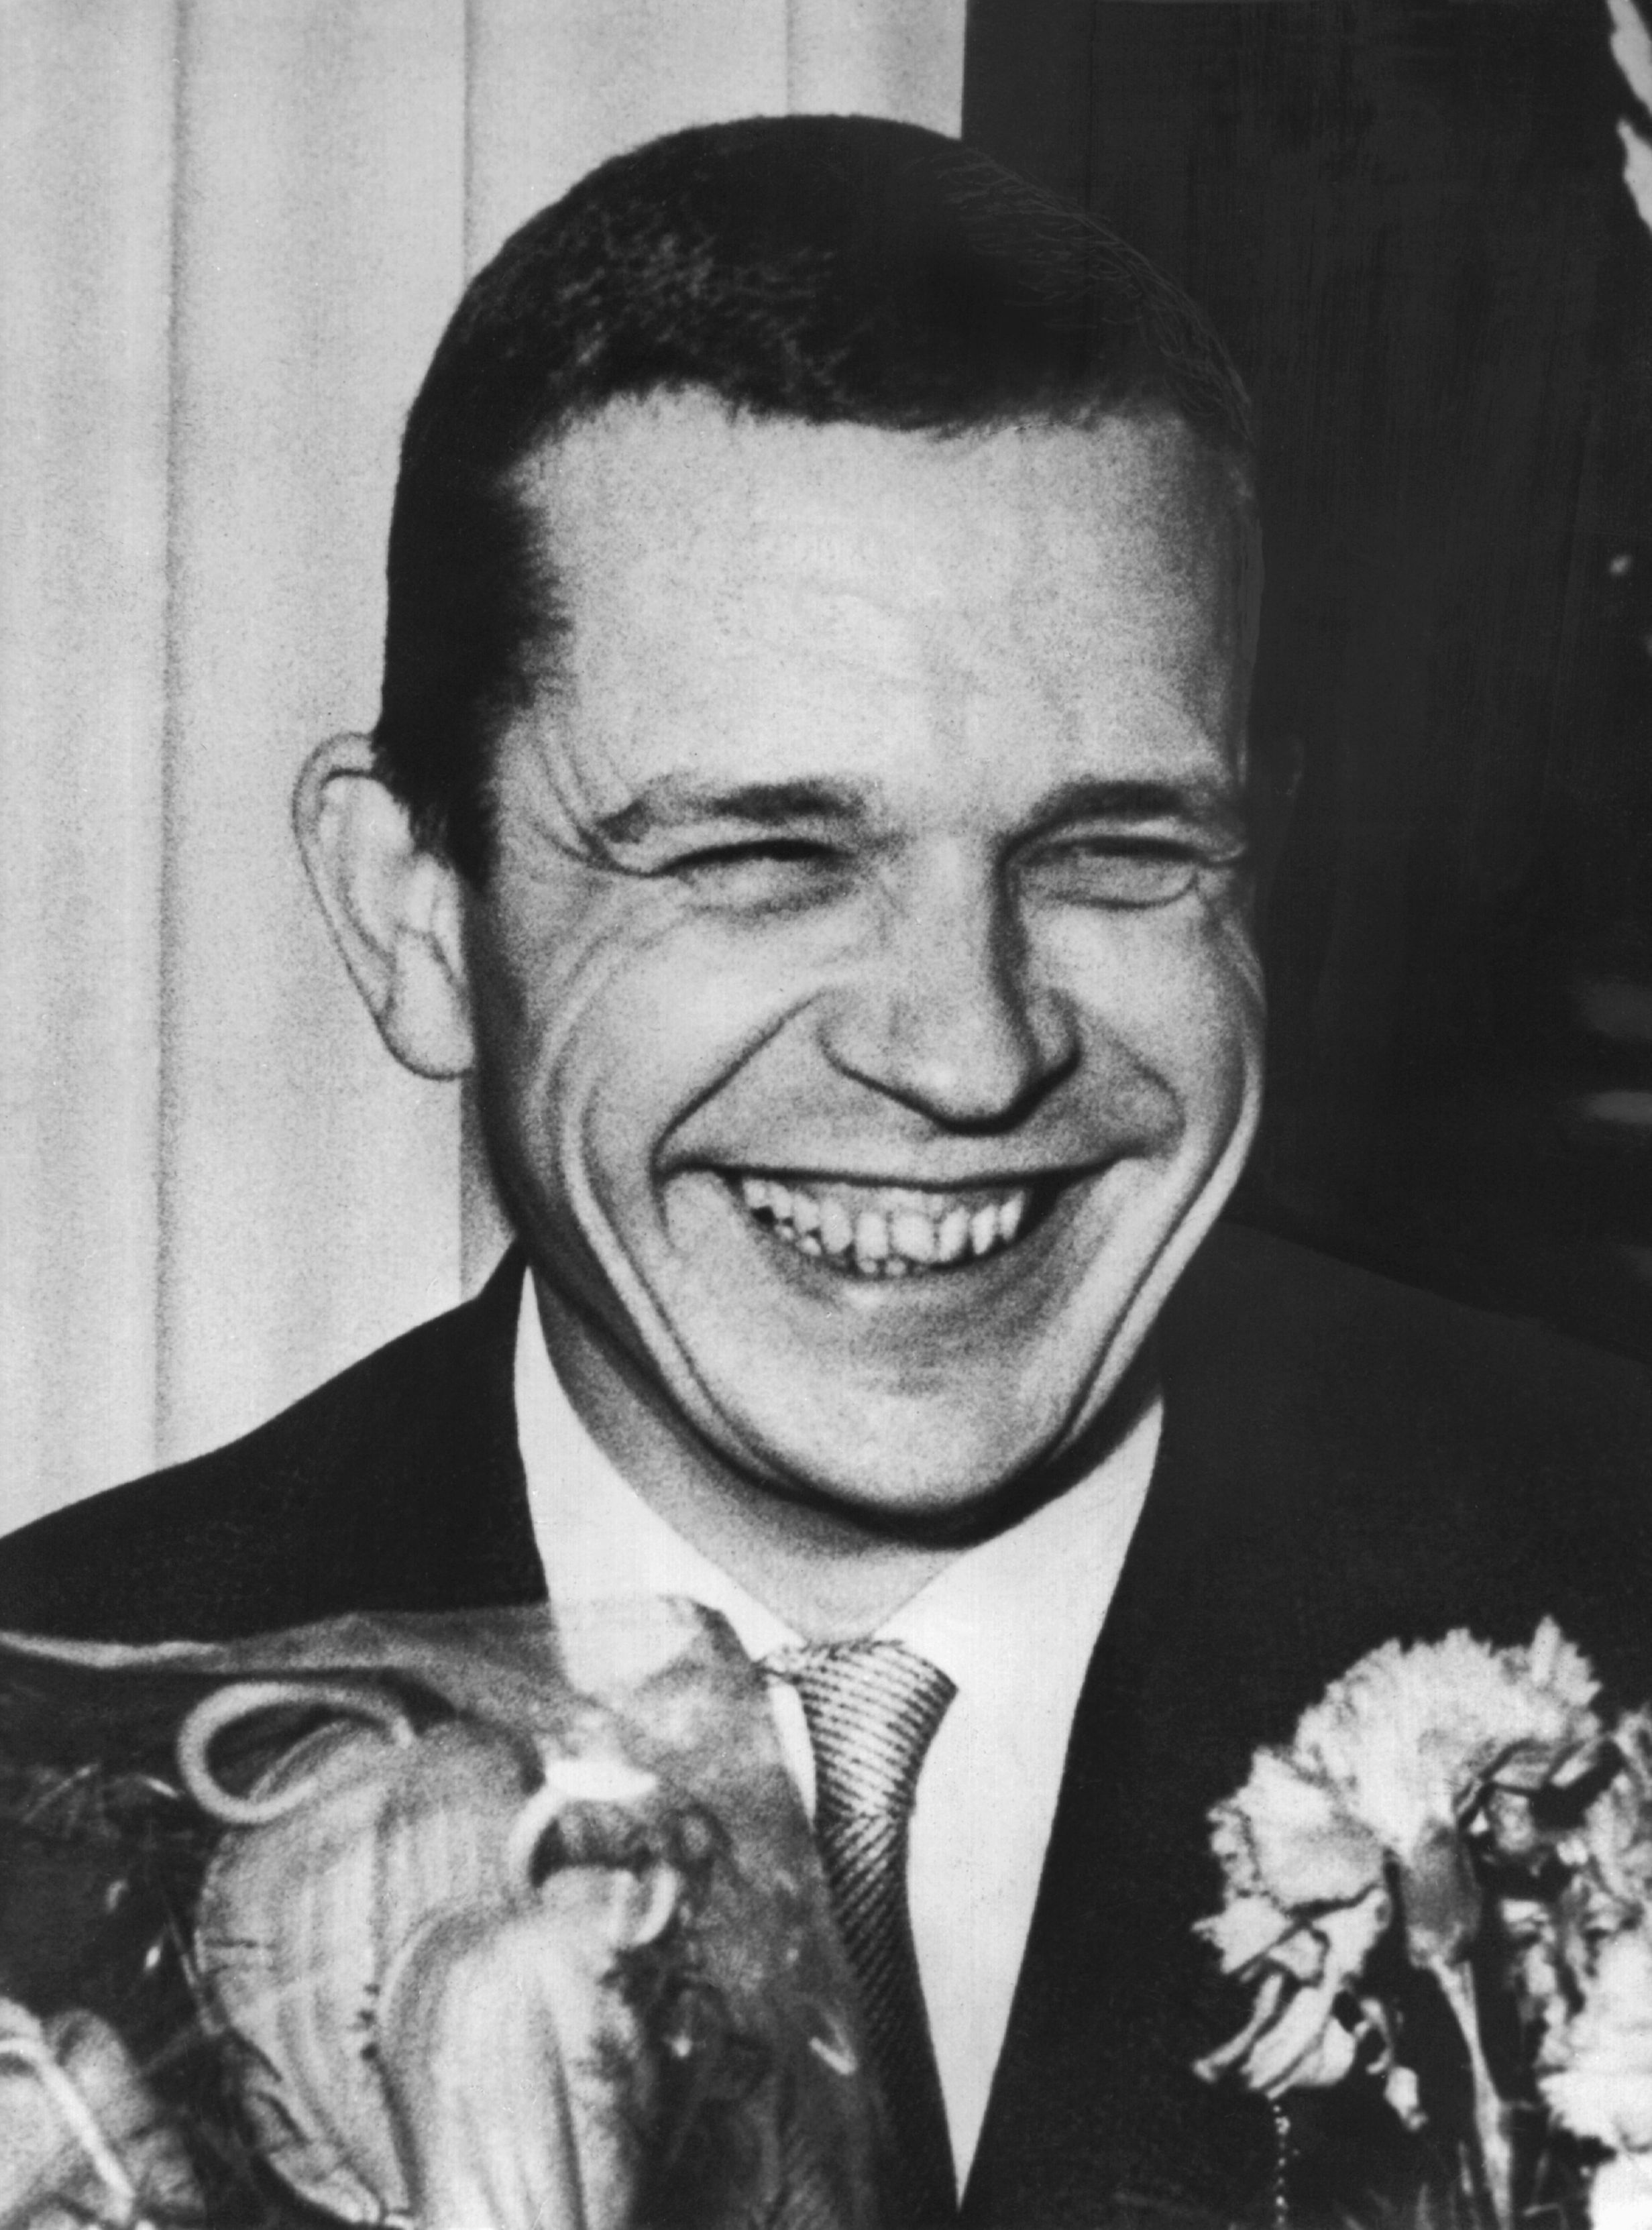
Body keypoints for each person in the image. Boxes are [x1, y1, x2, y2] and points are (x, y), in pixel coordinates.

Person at [0, 115, 1647, 2229]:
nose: (968, 1053)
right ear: (415, 915)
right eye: (763, 857)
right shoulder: (44, 1798)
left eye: (1116, 852)